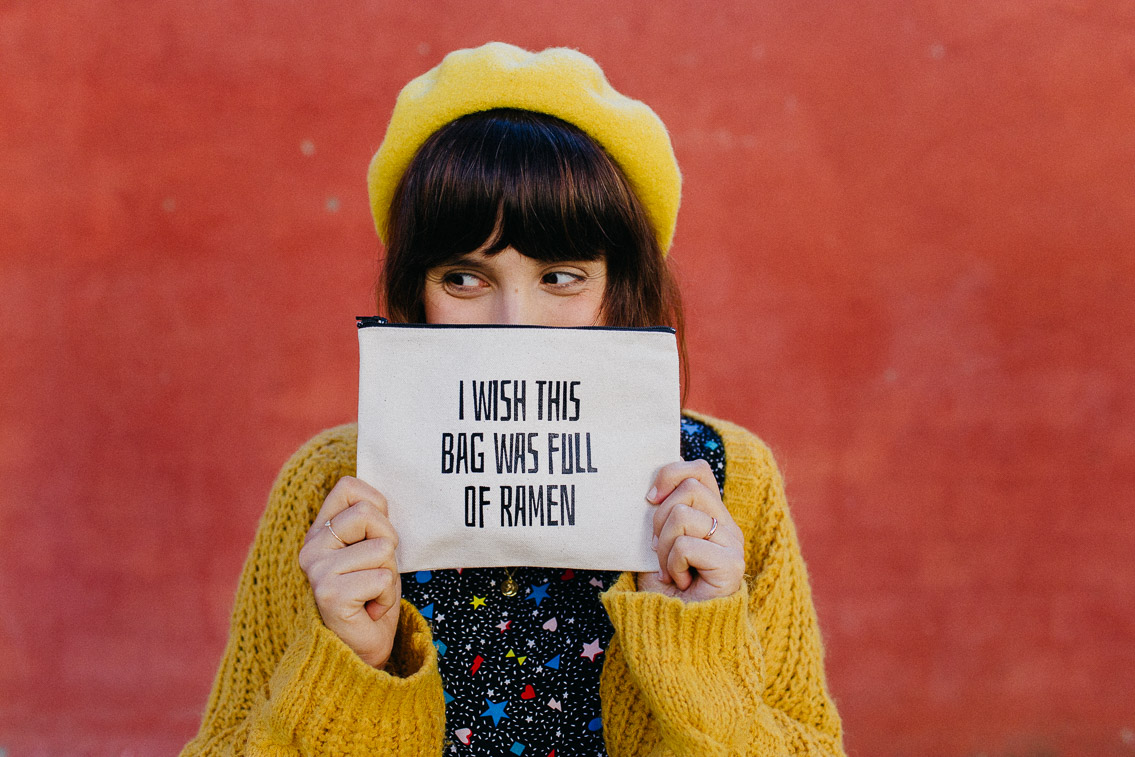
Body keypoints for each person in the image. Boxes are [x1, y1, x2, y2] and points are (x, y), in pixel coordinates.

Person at [183, 42, 845, 757]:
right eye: (463, 279)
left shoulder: (724, 484)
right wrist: (347, 662)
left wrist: (698, 647)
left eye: (560, 276)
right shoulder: (333, 493)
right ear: (415, 293)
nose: (513, 321)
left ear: (620, 289)